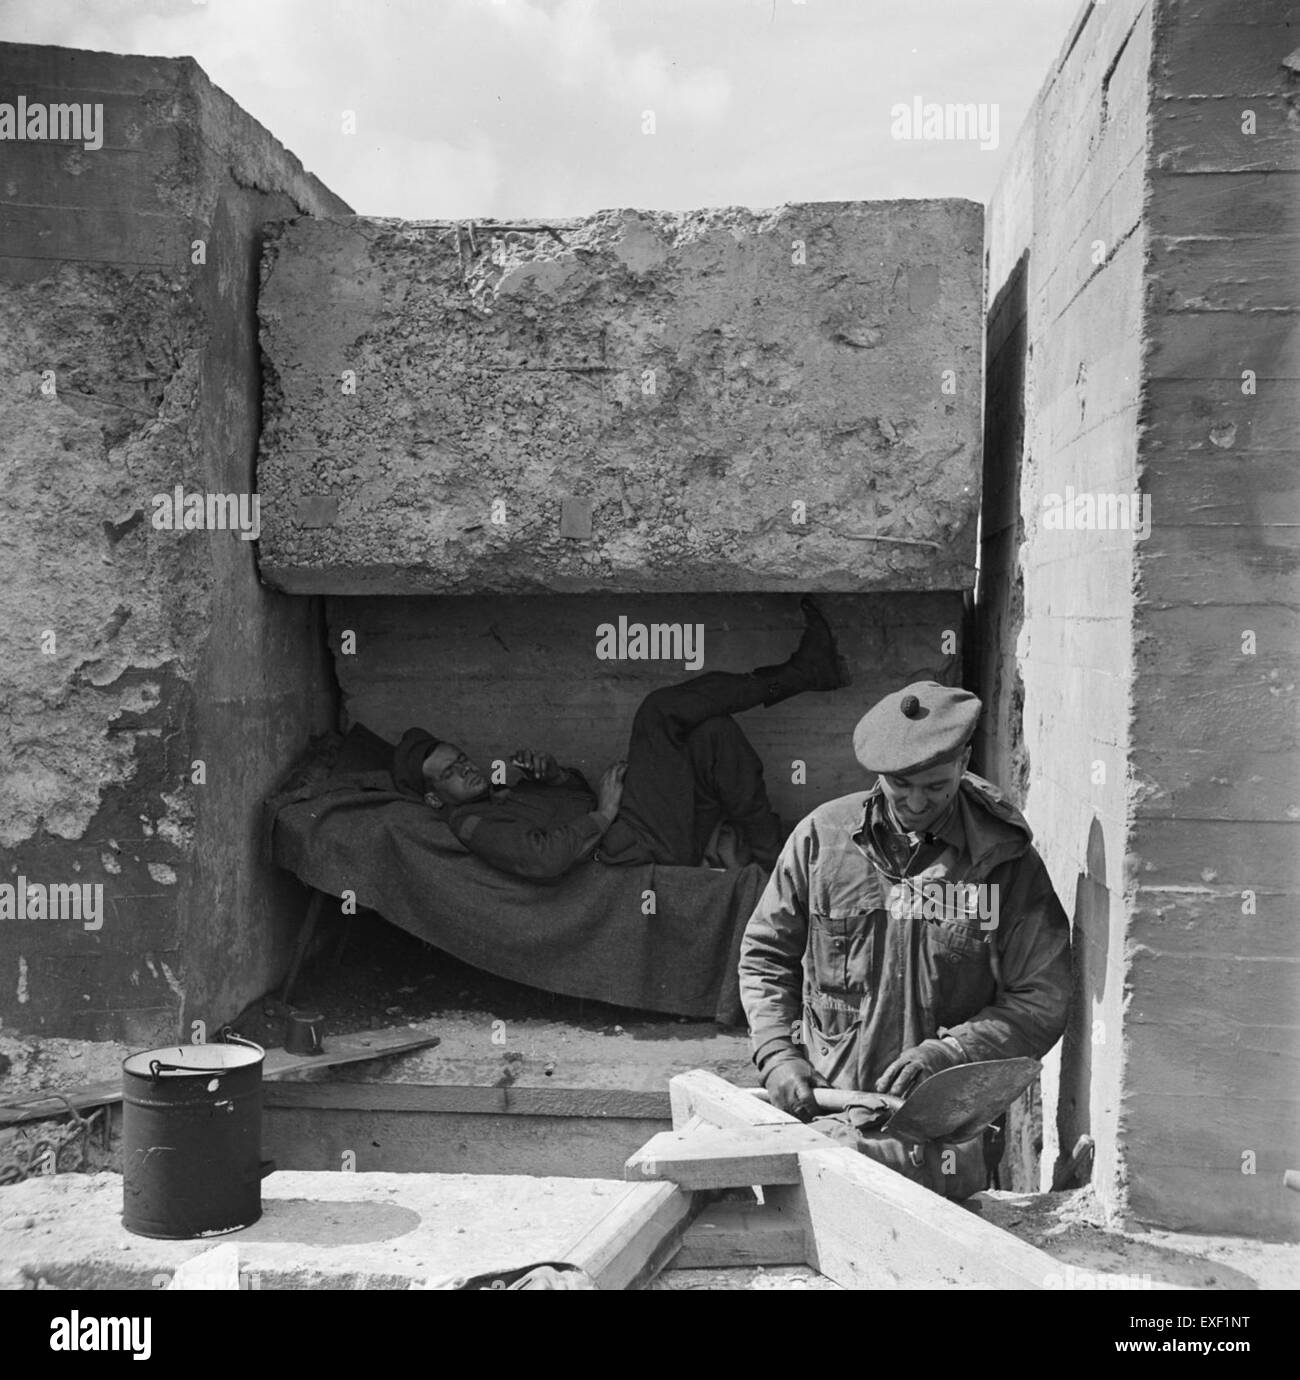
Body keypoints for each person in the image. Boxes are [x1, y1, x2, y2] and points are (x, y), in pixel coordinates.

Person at [737, 679, 1071, 1199]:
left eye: (935, 787)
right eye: (899, 785)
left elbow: (1042, 998)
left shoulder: (1006, 864)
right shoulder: (822, 838)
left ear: (963, 762)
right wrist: (778, 1053)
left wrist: (949, 1053)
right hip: (828, 1110)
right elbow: (765, 954)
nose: (916, 803)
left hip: (942, 1137)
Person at [388, 598, 850, 883]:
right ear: (433, 799)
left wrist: (553, 777)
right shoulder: (470, 824)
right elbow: (545, 860)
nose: (467, 768)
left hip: (641, 826)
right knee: (659, 711)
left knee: (711, 733)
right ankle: (799, 675)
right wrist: (603, 813)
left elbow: (571, 801)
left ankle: (773, 861)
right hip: (636, 844)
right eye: (450, 773)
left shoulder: (499, 792)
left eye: (461, 758)